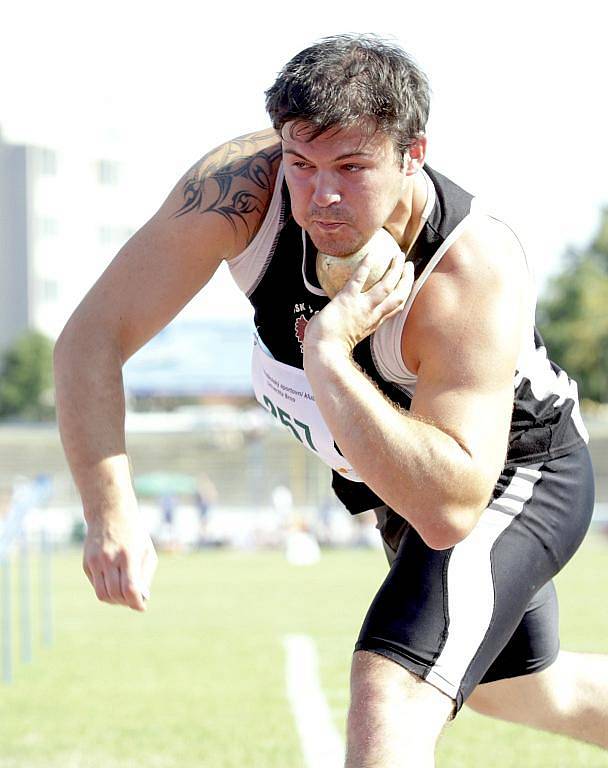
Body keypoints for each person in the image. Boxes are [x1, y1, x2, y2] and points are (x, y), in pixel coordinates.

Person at [54, 34, 607, 767]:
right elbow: (91, 337)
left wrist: (326, 352)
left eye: (352, 166)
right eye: (302, 165)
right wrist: (110, 507)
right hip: (390, 475)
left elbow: (450, 508)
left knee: (393, 687)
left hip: (506, 472)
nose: (321, 196)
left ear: (413, 154)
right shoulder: (237, 193)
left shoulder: (472, 269)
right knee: (521, 689)